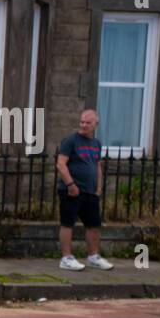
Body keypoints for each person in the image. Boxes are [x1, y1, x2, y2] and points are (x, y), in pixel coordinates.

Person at [57, 109, 113, 271]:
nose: (83, 125)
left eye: (88, 123)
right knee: (67, 223)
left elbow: (97, 165)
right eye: (82, 122)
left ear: (96, 124)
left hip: (90, 191)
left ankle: (93, 256)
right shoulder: (71, 141)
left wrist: (99, 187)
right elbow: (61, 164)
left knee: (93, 225)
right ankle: (66, 258)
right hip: (71, 190)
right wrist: (71, 185)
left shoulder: (96, 144)